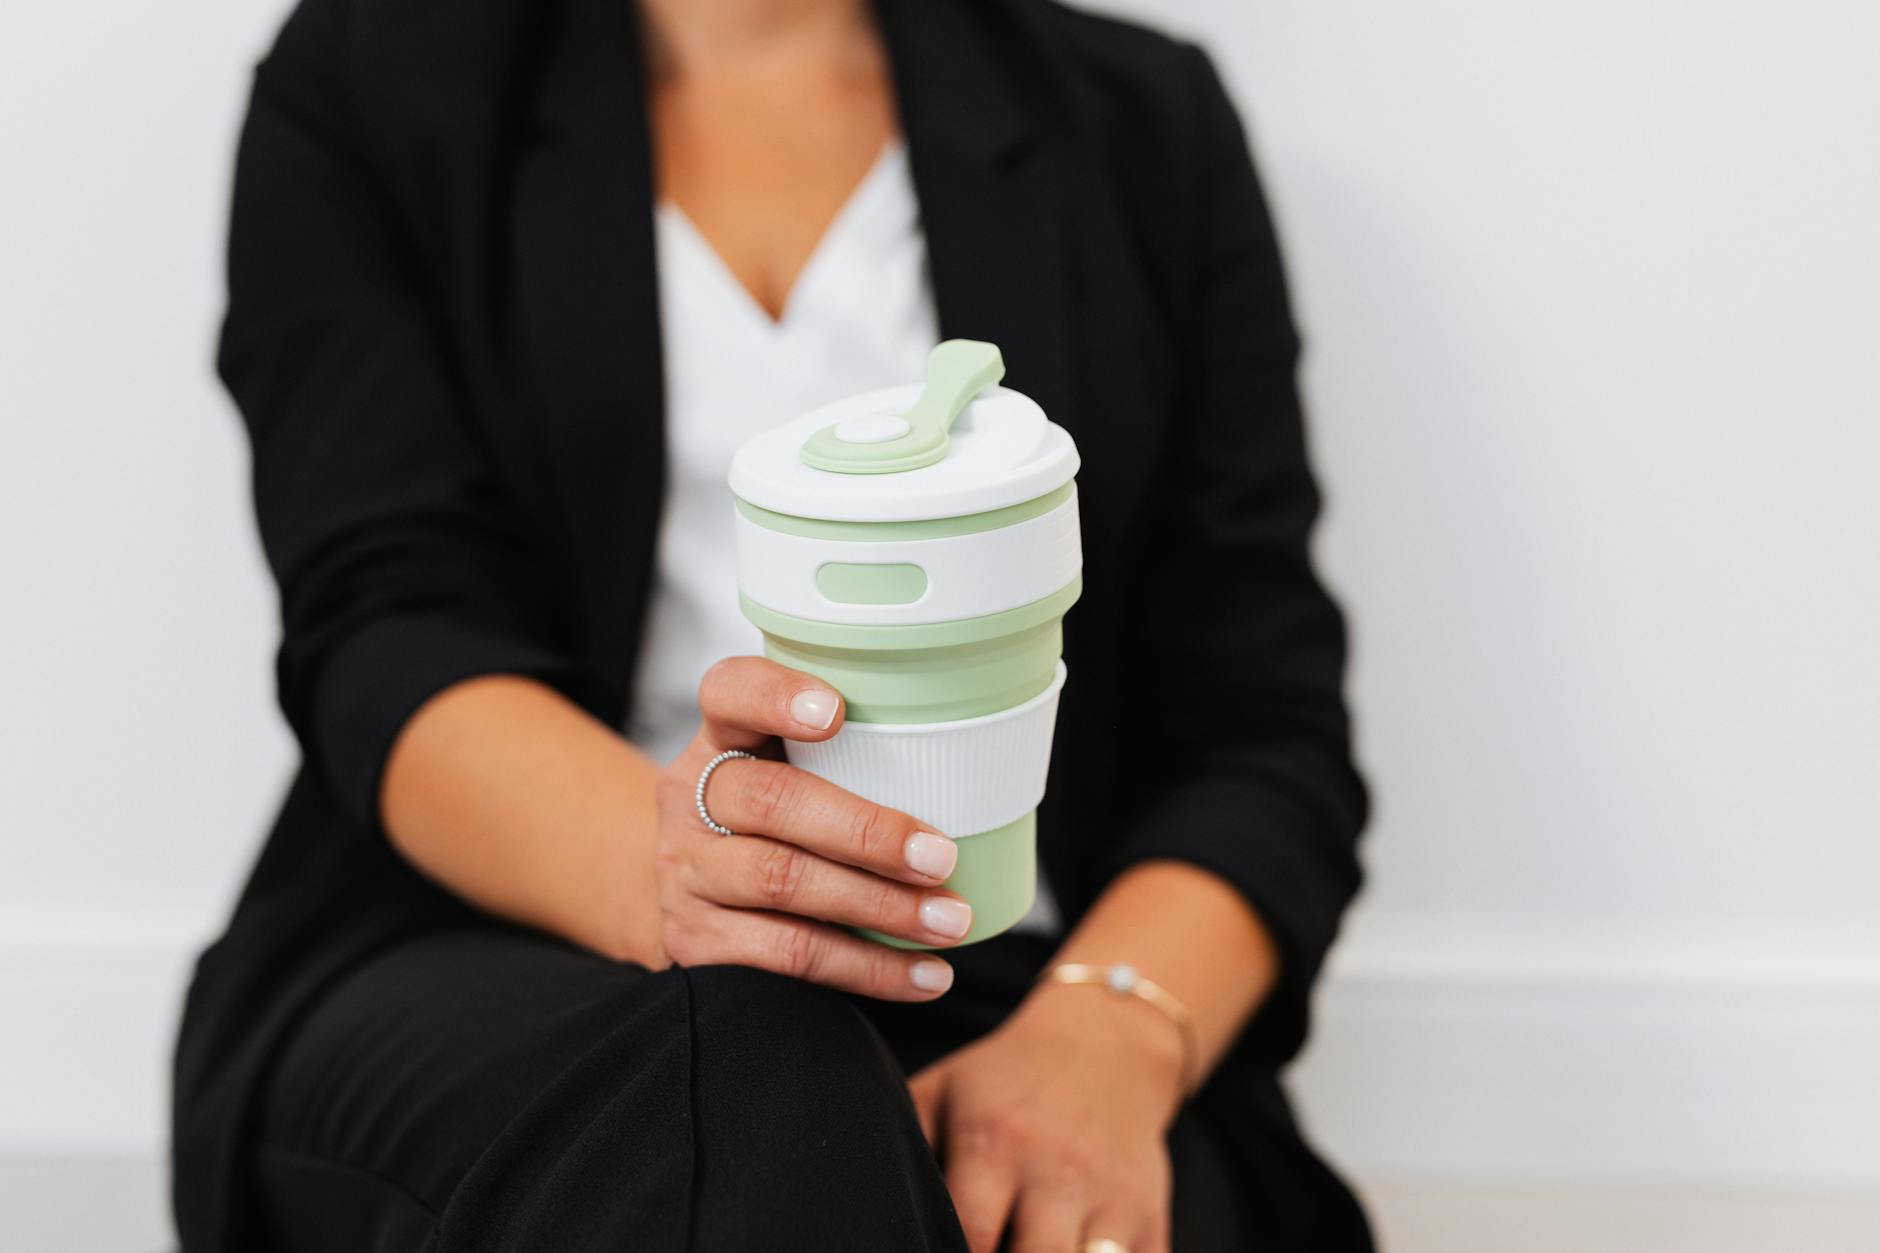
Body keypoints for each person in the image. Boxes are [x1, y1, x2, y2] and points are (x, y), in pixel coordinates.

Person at [172, 0, 1372, 1249]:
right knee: (741, 1090)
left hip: (1030, 985)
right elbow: (386, 630)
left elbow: (1262, 731)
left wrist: (1108, 1033)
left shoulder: (1138, 118)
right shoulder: (373, 76)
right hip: (510, 945)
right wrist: (671, 862)